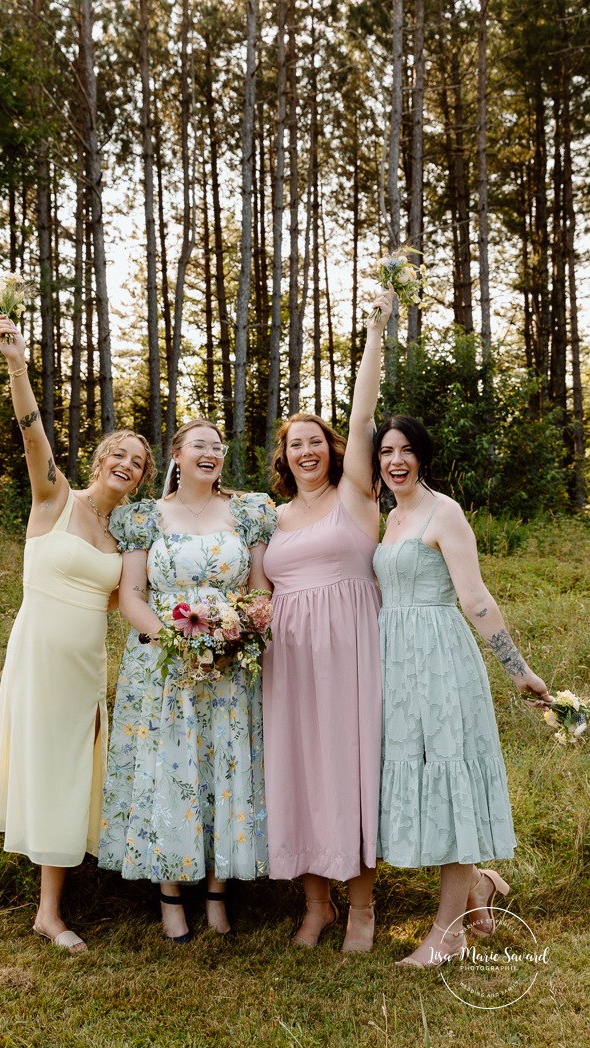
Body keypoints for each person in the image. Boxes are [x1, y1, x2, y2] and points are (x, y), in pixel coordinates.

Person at [0, 314, 155, 954]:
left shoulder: (123, 539)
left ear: (141, 479)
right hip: (40, 652)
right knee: (51, 768)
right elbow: (32, 437)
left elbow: (126, 601)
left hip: (86, 667)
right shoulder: (56, 499)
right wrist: (18, 366)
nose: (127, 465)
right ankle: (47, 912)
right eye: (119, 455)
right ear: (101, 460)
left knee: (72, 772)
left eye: (139, 462)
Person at [372, 414, 551, 968]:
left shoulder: (442, 511)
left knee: (448, 780)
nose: (395, 461)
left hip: (440, 661)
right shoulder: (392, 516)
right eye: (385, 452)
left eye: (405, 451)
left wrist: (517, 668)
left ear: (422, 457)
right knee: (421, 775)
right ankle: (481, 884)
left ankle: (448, 935)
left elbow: (474, 597)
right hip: (395, 664)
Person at [98, 419, 276, 942]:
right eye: (199, 444)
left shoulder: (249, 511)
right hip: (161, 664)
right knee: (167, 768)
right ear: (177, 453)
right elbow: (132, 594)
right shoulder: (142, 517)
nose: (210, 453)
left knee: (222, 765)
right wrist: (176, 644)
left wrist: (234, 639)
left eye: (218, 447)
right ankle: (170, 896)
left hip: (229, 665)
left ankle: (219, 894)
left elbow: (259, 587)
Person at [261, 286, 395, 953]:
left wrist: (375, 329)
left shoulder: (356, 494)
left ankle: (363, 904)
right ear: (282, 458)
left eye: (315, 441)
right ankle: (315, 905)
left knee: (349, 766)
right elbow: (255, 588)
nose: (305, 452)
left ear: (332, 449)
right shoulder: (271, 517)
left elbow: (365, 410)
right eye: (294, 446)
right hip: (286, 660)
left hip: (349, 649)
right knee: (298, 769)